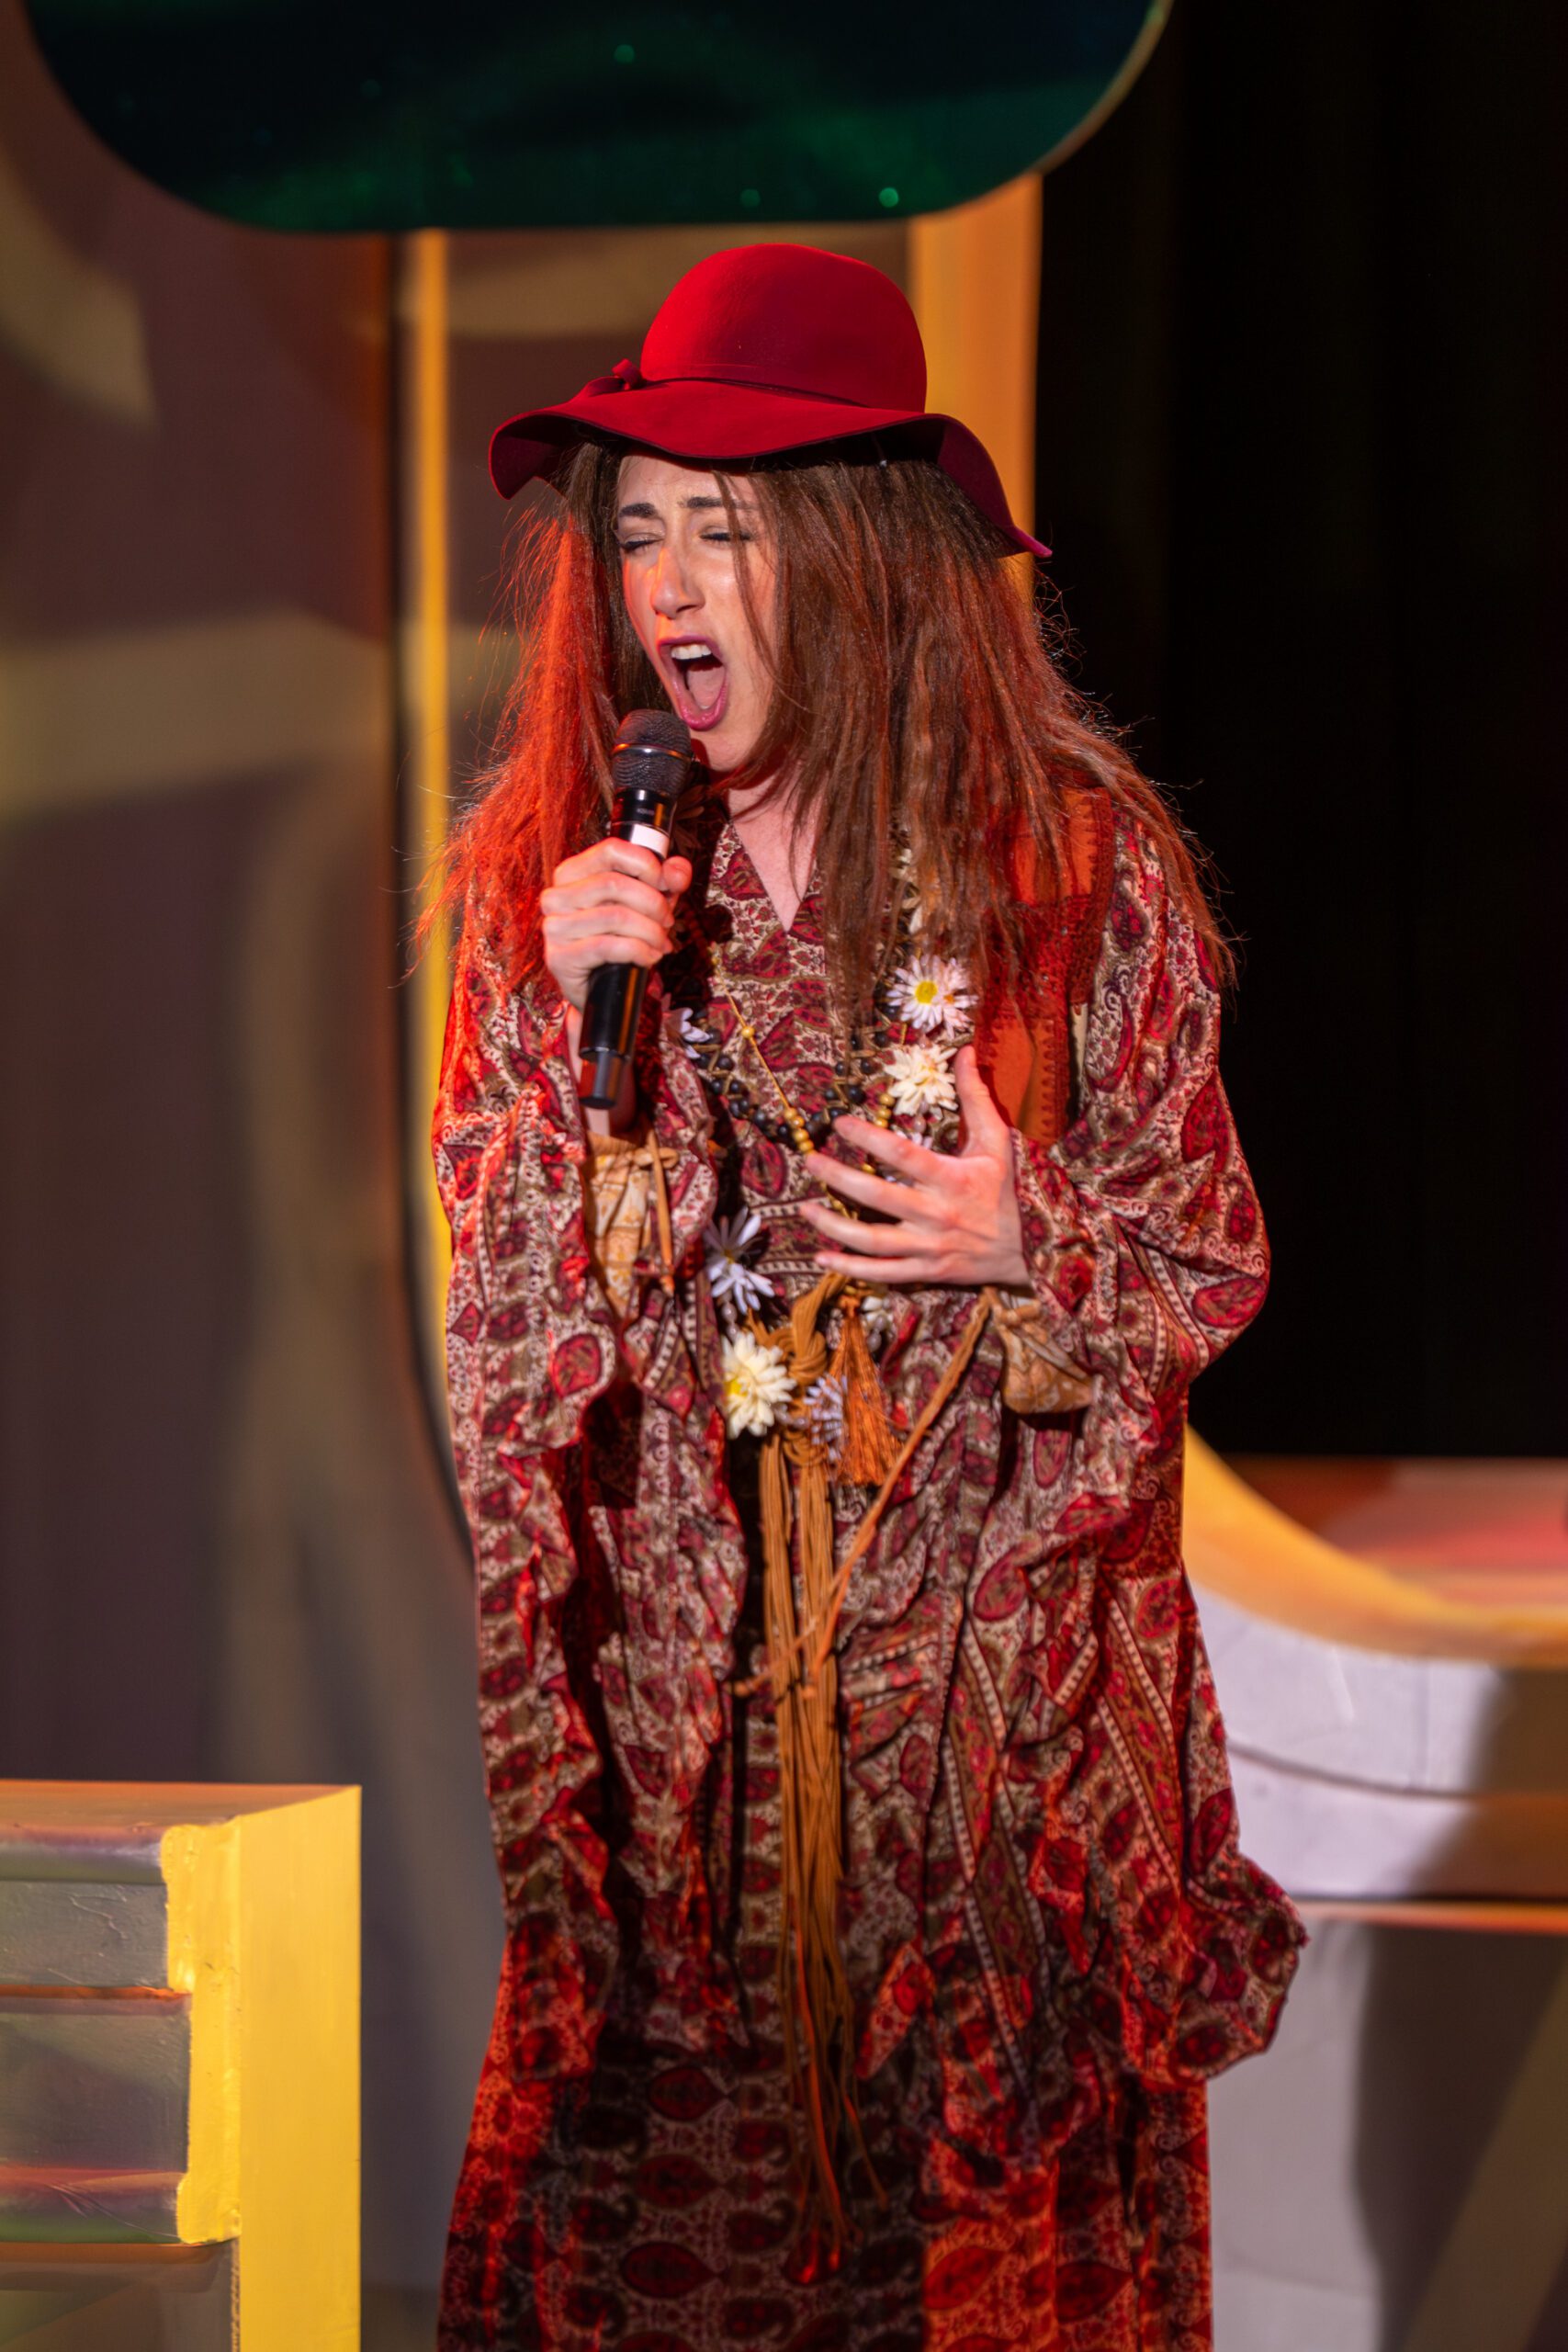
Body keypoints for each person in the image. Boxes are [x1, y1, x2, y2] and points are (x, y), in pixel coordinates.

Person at [430, 243, 1303, 2352]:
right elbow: (503, 1323)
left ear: (855, 550)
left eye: (724, 528)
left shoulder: (1063, 874)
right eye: (639, 530)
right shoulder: (559, 890)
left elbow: (1201, 1258)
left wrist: (1029, 1237)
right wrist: (558, 1027)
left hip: (981, 1775)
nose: (666, 584)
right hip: (688, 1777)